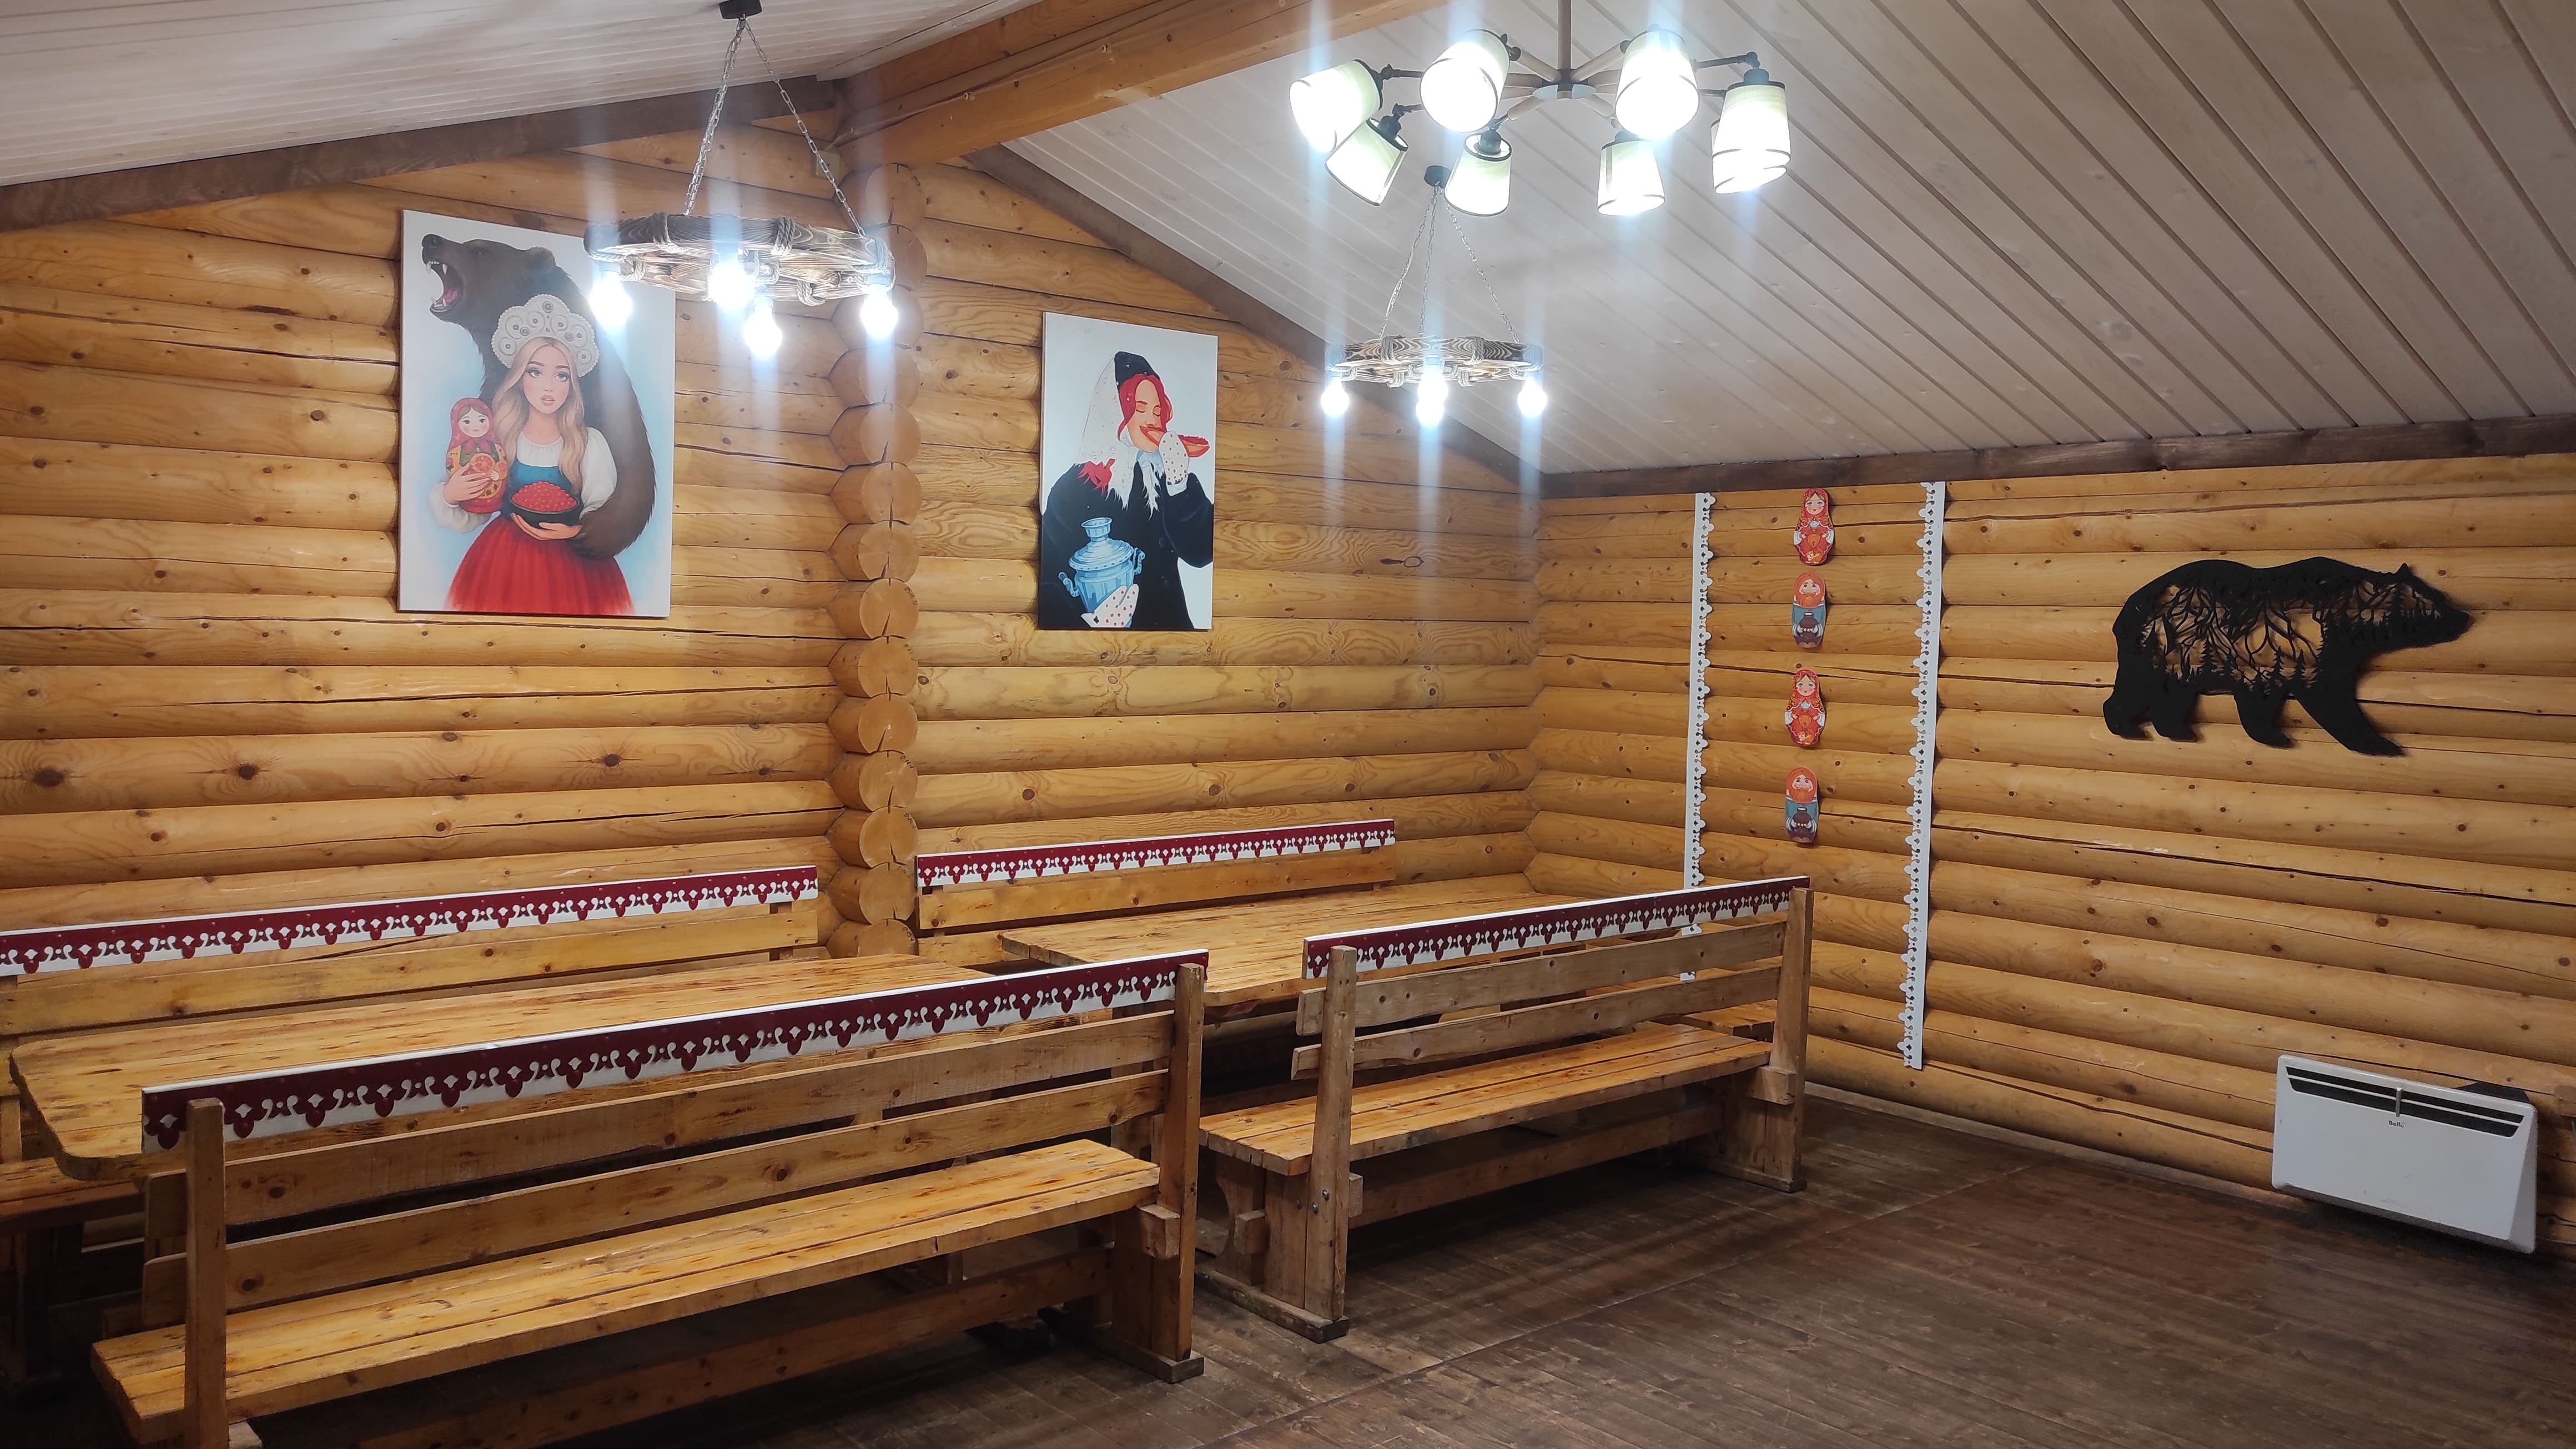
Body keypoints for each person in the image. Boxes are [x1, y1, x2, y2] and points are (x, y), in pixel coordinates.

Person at [434, 295, 634, 616]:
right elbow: (478, 510)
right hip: (504, 559)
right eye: (536, 372)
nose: (549, 387)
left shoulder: (589, 442)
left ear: (572, 384)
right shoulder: (497, 438)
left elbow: (603, 507)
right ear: (519, 378)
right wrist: (451, 496)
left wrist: (578, 531)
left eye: (562, 375)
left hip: (574, 565)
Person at [1039, 350, 1213, 630]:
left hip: (1173, 635)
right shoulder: (1072, 488)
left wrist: (1179, 485)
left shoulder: (1168, 475)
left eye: (1158, 411)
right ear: (1113, 411)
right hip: (1101, 646)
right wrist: (1091, 622)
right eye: (1140, 409)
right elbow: (1049, 577)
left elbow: (1201, 554)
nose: (1153, 420)